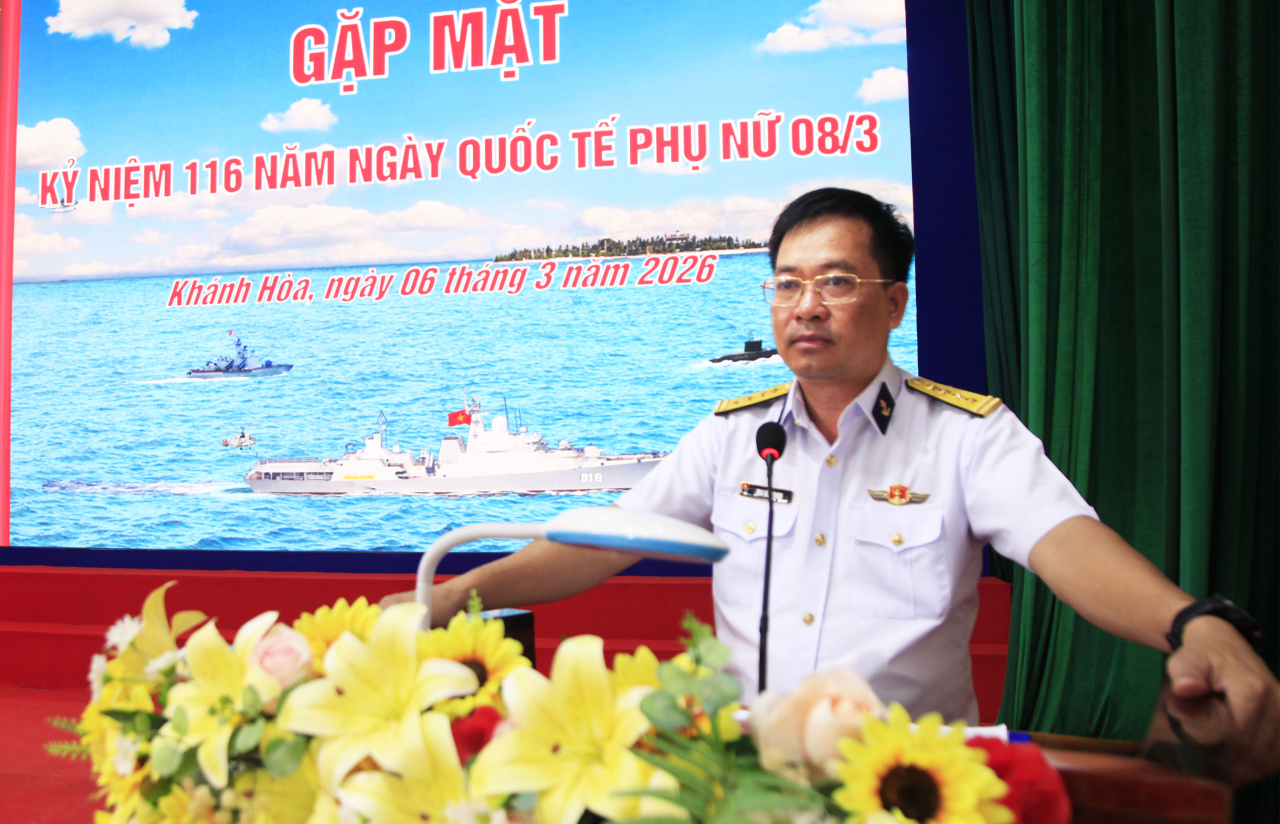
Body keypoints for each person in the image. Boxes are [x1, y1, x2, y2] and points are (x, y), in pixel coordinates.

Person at [385, 188, 1279, 784]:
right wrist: (458, 592)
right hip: (742, 783)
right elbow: (604, 539)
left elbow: (1067, 542)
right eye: (787, 284)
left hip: (902, 785)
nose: (806, 304)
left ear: (894, 303)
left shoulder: (966, 434)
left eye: (837, 281)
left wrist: (1194, 622)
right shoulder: (731, 435)